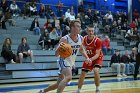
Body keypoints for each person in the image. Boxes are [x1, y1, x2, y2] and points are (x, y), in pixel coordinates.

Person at [38, 20, 91, 93]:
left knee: (58, 84)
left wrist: (87, 57)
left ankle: (43, 91)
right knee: (69, 77)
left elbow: (81, 49)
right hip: (63, 60)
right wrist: (59, 48)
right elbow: (56, 54)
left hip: (71, 62)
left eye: (80, 26)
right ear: (72, 28)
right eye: (78, 26)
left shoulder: (81, 38)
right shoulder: (65, 39)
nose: (80, 28)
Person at [76, 25, 103, 93]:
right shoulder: (83, 39)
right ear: (87, 31)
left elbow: (97, 54)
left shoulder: (98, 40)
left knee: (96, 70)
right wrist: (87, 58)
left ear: (94, 31)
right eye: (89, 31)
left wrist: (90, 59)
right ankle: (78, 90)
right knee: (82, 73)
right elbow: (81, 49)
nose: (91, 32)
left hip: (97, 58)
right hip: (88, 57)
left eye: (92, 31)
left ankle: (97, 88)